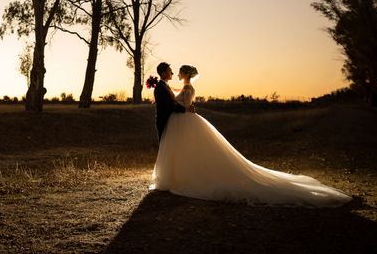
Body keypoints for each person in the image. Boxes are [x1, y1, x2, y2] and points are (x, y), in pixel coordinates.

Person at [150, 64, 352, 207]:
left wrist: (185, 107)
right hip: (183, 120)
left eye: (179, 71)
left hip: (185, 119)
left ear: (185, 74)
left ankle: (187, 176)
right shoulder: (179, 86)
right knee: (186, 150)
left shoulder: (187, 87)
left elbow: (182, 102)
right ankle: (181, 173)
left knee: (192, 149)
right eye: (172, 71)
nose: (175, 73)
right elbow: (172, 94)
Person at [148, 62, 194, 142]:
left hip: (169, 122)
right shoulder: (160, 87)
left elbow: (173, 102)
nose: (172, 73)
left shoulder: (165, 86)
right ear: (163, 73)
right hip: (164, 122)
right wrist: (185, 109)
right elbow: (169, 105)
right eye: (170, 71)